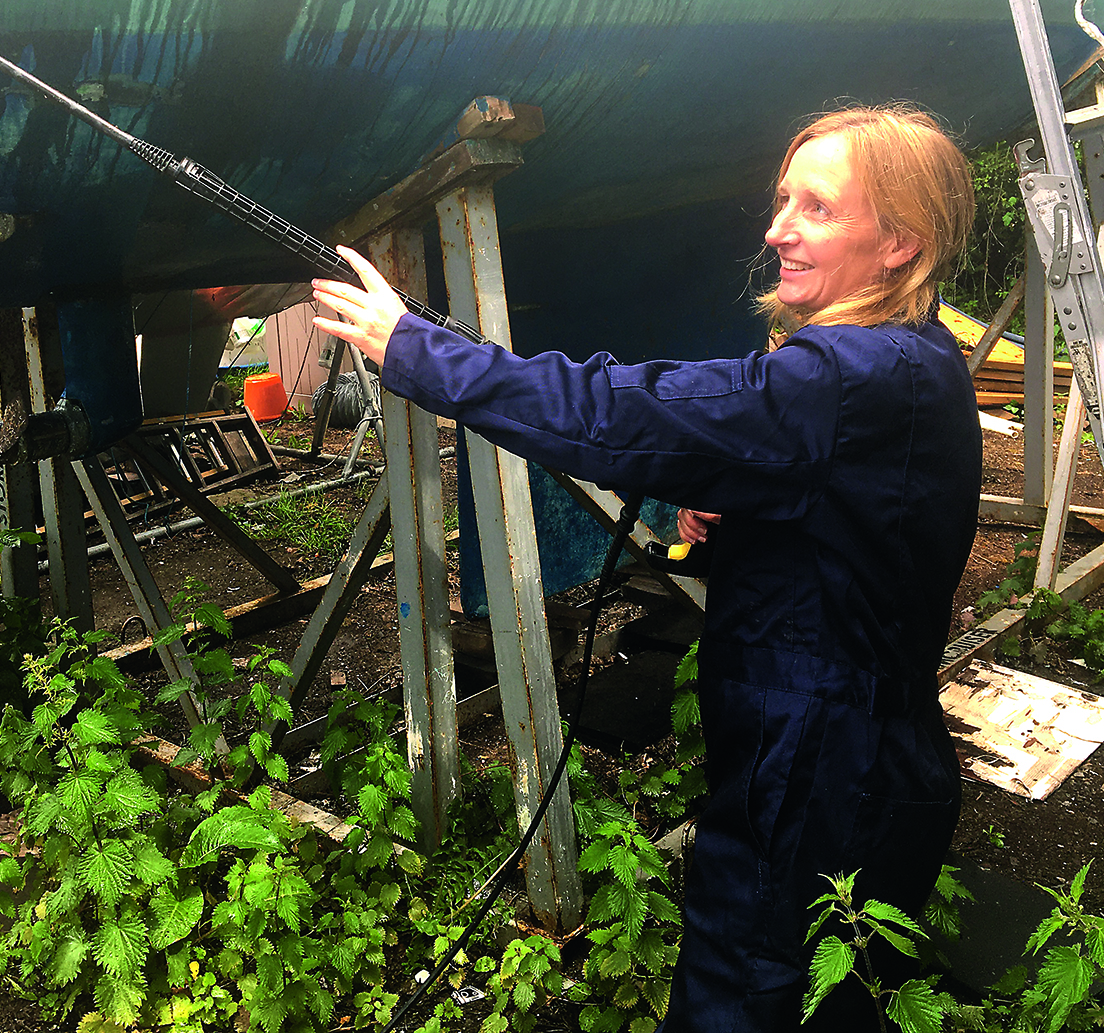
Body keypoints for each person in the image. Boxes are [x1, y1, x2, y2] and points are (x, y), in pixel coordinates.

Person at [313, 105, 981, 1032]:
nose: (777, 227)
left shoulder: (844, 376)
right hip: (860, 755)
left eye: (818, 208)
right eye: (782, 198)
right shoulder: (918, 358)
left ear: (900, 242)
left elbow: (630, 414)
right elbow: (871, 525)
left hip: (819, 772)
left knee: (743, 998)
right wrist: (751, 513)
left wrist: (423, 352)